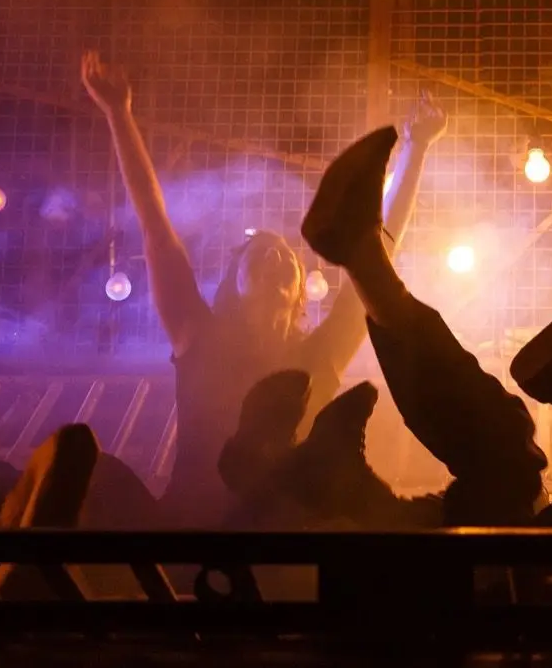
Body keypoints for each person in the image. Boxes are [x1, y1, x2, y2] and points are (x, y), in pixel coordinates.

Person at [81, 51, 446, 525]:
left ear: (299, 293)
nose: (276, 258)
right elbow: (156, 226)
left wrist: (417, 149)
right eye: (260, 255)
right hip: (196, 532)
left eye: (286, 257)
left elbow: (380, 251)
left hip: (291, 534)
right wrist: (119, 113)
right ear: (232, 283)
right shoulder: (198, 336)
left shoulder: (322, 353)